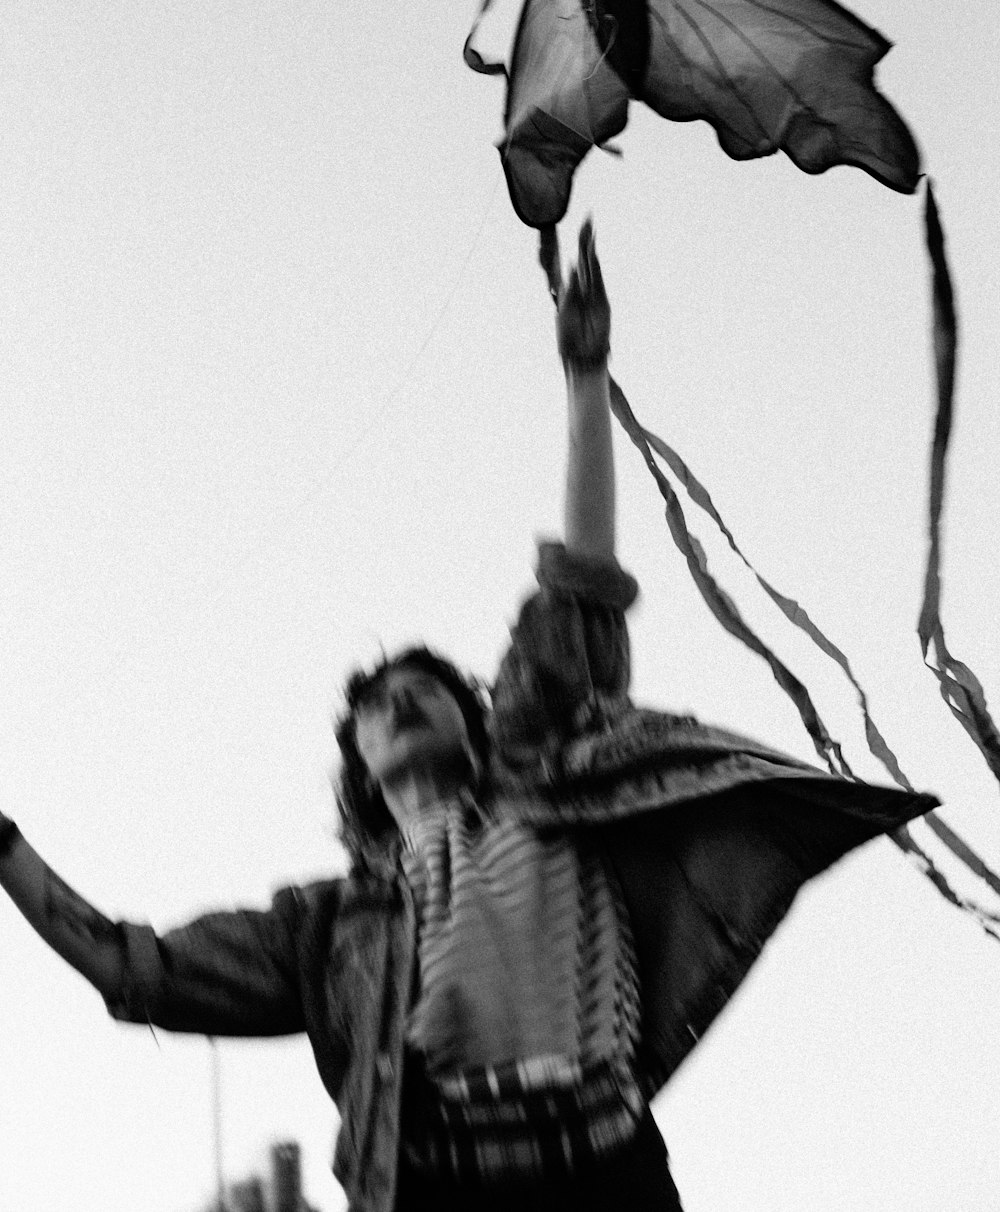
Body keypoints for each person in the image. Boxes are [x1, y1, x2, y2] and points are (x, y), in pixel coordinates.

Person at [0, 224, 935, 1212]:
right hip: (437, 1182)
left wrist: (584, 377)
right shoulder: (321, 930)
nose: (398, 700)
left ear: (478, 721)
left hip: (603, 1164)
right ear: (359, 768)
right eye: (373, 705)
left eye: (425, 689)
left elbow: (581, 590)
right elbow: (127, 964)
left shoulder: (546, 782)